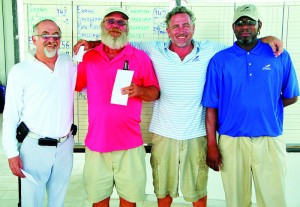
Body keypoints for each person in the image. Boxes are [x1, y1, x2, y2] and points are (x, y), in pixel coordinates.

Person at [74, 6, 284, 207]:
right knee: (163, 191)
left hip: (196, 134)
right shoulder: (151, 49)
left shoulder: (212, 50)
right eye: (175, 26)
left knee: (197, 191)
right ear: (167, 30)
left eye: (185, 25)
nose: (181, 31)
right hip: (163, 134)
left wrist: (266, 39)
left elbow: (242, 44)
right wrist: (92, 43)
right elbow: (115, 40)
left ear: (193, 27)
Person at [202, 4, 299, 207]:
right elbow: (211, 107)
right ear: (233, 27)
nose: (245, 26)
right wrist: (212, 144)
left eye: (250, 22)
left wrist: (265, 105)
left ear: (259, 25)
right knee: (237, 201)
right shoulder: (220, 60)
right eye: (240, 22)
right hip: (232, 141)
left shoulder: (279, 55)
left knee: (274, 200)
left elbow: (291, 96)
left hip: (270, 139)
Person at [75, 7, 160, 207]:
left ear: (127, 28)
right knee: (98, 201)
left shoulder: (140, 57)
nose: (115, 26)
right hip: (97, 144)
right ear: (102, 26)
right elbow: (76, 85)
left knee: (129, 202)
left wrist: (139, 90)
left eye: (121, 23)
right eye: (110, 21)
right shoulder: (88, 57)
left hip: (130, 145)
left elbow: (154, 92)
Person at [2, 19, 77, 207]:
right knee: (31, 202)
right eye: (45, 35)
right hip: (34, 148)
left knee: (58, 200)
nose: (51, 40)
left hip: (65, 146)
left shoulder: (68, 64)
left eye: (55, 36)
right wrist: (11, 153)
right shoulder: (20, 71)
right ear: (34, 39)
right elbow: (10, 115)